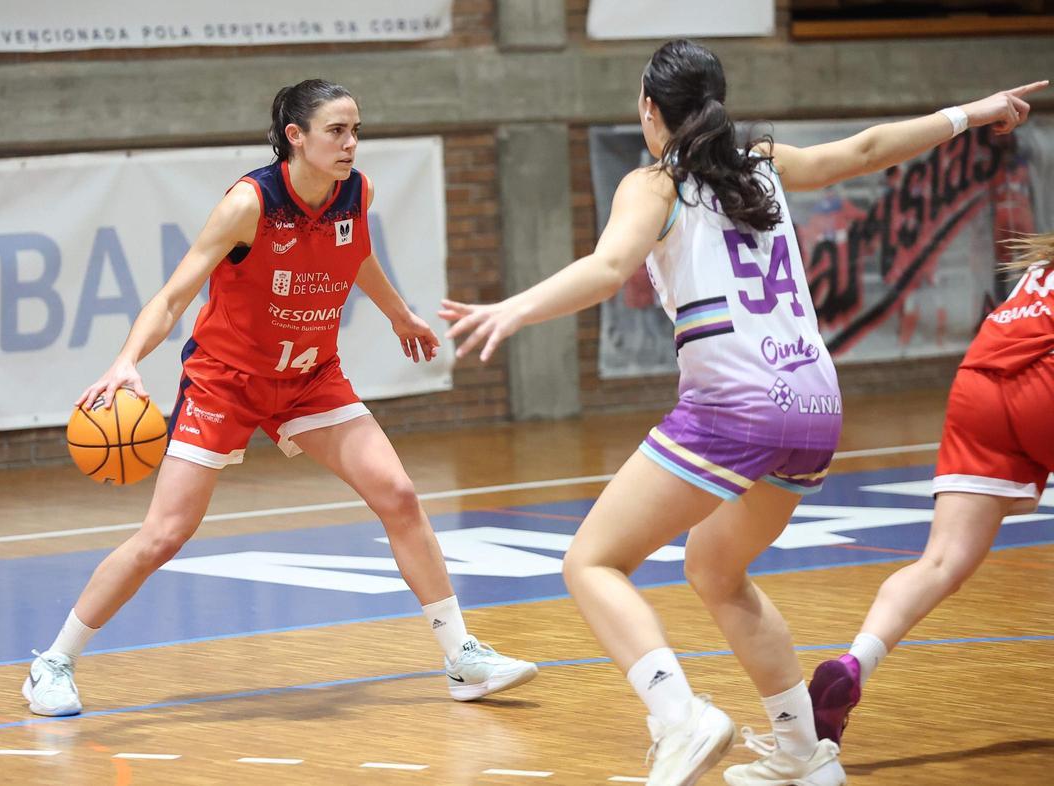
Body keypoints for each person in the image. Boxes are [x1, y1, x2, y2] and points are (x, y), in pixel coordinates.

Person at [440, 38, 1045, 786]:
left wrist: (514, 308)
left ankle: (679, 718)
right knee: (717, 570)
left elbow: (606, 268)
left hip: (738, 406)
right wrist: (971, 111)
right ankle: (802, 753)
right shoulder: (761, 164)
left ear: (649, 110)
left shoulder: (655, 183)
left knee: (592, 561)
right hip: (816, 405)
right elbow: (866, 148)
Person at [22, 79, 537, 718]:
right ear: (295, 136)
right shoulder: (248, 203)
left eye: (355, 131)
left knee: (399, 496)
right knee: (165, 534)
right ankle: (53, 661)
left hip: (309, 377)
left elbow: (356, 254)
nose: (351, 143)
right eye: (336, 131)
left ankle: (462, 656)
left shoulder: (356, 191)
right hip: (226, 380)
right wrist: (127, 360)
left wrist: (400, 315)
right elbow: (173, 297)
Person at [809, 232, 1054, 747]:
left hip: (979, 384)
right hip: (1042, 382)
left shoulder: (1041, 269)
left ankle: (853, 666)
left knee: (940, 563)